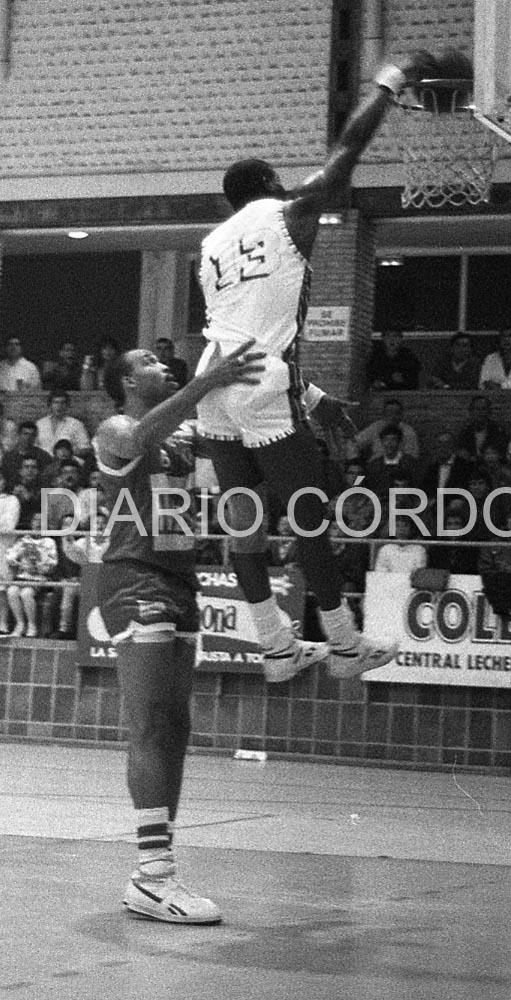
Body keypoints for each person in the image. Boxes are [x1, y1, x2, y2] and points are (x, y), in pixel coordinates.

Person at [194, 50, 435, 681]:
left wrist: (312, 393)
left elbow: (246, 325)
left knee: (243, 524)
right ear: (272, 186)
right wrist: (389, 82)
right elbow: (348, 148)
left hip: (212, 382)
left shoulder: (210, 246)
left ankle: (275, 647)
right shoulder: (287, 212)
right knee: (309, 521)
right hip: (258, 380)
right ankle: (345, 646)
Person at [94, 339, 264, 924]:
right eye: (145, 362)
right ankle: (152, 874)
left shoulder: (187, 440)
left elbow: (239, 448)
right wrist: (206, 381)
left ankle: (158, 867)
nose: (161, 364)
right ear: (125, 384)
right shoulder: (115, 429)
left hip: (180, 580)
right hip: (132, 579)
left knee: (176, 727)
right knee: (148, 720)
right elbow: (140, 438)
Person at [6, 512, 58, 637]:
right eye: (35, 520)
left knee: (26, 593)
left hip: (39, 578)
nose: (38, 523)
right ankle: (20, 624)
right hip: (22, 576)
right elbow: (10, 557)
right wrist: (18, 560)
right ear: (31, 523)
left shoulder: (49, 542)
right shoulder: (24, 539)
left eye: (41, 521)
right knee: (11, 591)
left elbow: (53, 563)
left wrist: (39, 564)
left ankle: (32, 626)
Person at [347, 397, 420, 462]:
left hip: (398, 470)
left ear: (401, 415)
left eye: (396, 413)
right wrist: (355, 461)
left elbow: (412, 458)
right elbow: (353, 443)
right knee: (358, 476)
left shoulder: (409, 432)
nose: (392, 416)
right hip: (374, 469)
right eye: (389, 413)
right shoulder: (375, 427)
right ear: (383, 414)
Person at [455, 394, 507, 463]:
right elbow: (461, 452)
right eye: (477, 409)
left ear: (489, 411)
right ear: (471, 412)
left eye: (483, 409)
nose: (480, 412)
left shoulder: (497, 432)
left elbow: (500, 454)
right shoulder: (465, 432)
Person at [36, 391, 91, 456]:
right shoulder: (40, 424)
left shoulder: (76, 424)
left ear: (67, 405)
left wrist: (69, 454)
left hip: (67, 462)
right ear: (50, 405)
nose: (59, 406)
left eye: (62, 403)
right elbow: (33, 447)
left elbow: (86, 448)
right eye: (56, 403)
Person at [3, 421, 52, 491]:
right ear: (19, 435)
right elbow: (4, 479)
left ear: (36, 437)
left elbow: (47, 480)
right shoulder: (8, 457)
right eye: (25, 434)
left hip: (37, 494)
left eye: (32, 435)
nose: (28, 437)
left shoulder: (44, 456)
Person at [0, 472, 20, 634]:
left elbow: (8, 524)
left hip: (3, 548)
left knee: (2, 589)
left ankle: (3, 624)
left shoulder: (12, 500)